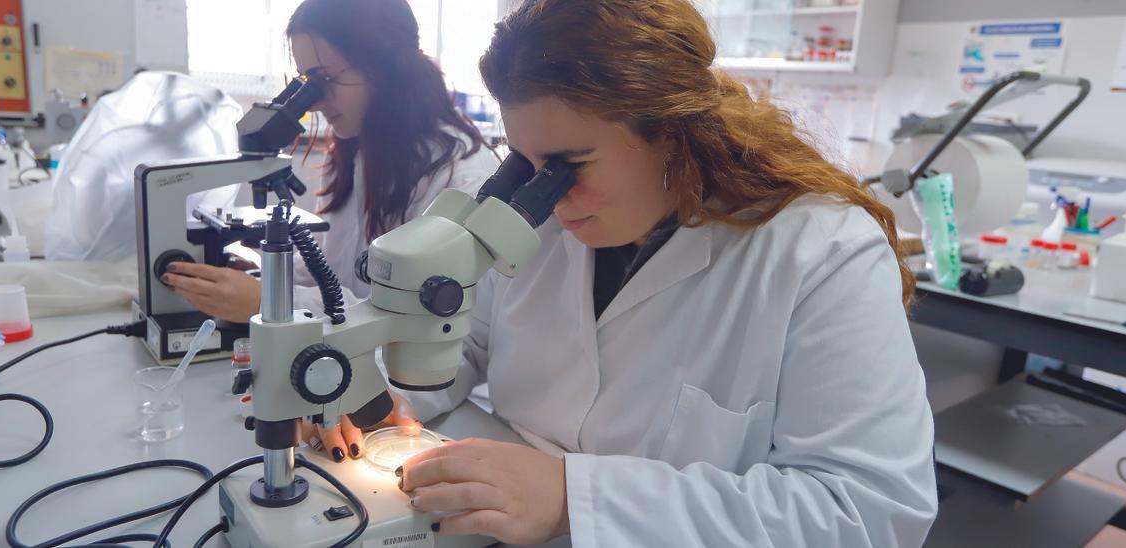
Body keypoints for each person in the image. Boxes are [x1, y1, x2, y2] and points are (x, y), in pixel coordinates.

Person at [376, 1, 939, 546]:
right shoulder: (537, 225)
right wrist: (375, 400)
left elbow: (868, 513)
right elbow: (460, 342)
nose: (546, 196)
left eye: (570, 165)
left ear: (672, 131)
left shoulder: (820, 251)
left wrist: (575, 499)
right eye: (527, 162)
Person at [163, 0, 499, 397]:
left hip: (407, 392)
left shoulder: (460, 177)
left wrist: (269, 305)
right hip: (336, 366)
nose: (316, 101)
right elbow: (327, 273)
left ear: (387, 68)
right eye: (307, 82)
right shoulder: (357, 151)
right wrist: (266, 278)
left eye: (325, 80)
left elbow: (423, 330)